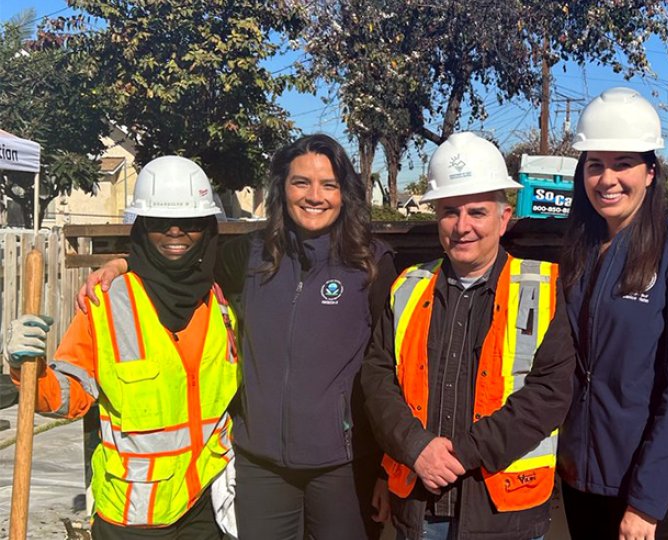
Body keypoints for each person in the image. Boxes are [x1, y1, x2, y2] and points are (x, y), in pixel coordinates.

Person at [78, 134, 395, 539]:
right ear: (282, 187)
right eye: (301, 182)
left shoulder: (371, 264)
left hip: (343, 463)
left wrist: (388, 468)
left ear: (344, 193)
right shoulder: (249, 255)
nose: (315, 196)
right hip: (260, 464)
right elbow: (184, 262)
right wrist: (126, 262)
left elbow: (388, 368)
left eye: (328, 185)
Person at [4, 156, 239, 538]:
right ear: (143, 229)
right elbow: (70, 398)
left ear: (209, 228)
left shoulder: (221, 298)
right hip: (132, 517)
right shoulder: (107, 300)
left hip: (204, 507)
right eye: (161, 223)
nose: (176, 232)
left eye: (191, 223)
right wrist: (28, 368)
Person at [362, 131, 576, 540]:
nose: (463, 226)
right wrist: (415, 448)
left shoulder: (545, 289)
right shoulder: (408, 286)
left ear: (504, 217)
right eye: (449, 211)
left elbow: (548, 395)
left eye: (477, 212)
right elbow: (377, 377)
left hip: (505, 514)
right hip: (419, 506)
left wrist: (461, 454)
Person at [557, 87, 668, 539]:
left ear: (650, 172)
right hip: (582, 483)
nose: (607, 179)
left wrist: (646, 503)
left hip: (653, 496)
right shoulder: (580, 251)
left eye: (623, 163)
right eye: (595, 165)